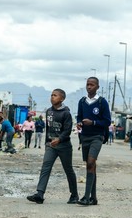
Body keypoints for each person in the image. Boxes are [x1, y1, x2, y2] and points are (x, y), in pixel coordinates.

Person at [27, 89, 79, 204]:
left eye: (55, 95)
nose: (52, 97)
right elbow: (48, 129)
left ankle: (74, 195)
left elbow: (67, 131)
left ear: (62, 99)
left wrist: (59, 139)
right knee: (46, 167)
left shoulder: (66, 113)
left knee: (68, 170)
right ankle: (40, 194)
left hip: (64, 146)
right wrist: (47, 144)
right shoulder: (49, 111)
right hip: (51, 145)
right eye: (51, 95)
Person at [76, 77, 111, 206]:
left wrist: (94, 122)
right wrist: (79, 123)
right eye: (87, 84)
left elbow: (107, 121)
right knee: (90, 166)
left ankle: (86, 197)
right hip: (85, 136)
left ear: (97, 87)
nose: (89, 87)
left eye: (92, 85)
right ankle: (94, 197)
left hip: (97, 136)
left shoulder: (102, 102)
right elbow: (79, 116)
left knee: (91, 162)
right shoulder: (82, 101)